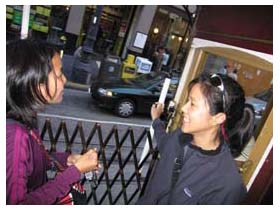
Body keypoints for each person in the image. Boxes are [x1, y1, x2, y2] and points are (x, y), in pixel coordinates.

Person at [137, 73, 255, 204]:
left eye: (192, 103)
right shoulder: (180, 136)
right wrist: (156, 120)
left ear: (218, 118)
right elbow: (165, 144)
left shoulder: (226, 184)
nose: (183, 108)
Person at [6, 39, 100, 204]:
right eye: (58, 74)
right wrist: (75, 172)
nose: (64, 80)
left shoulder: (26, 118)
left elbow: (34, 162)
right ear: (36, 83)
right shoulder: (14, 136)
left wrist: (67, 160)